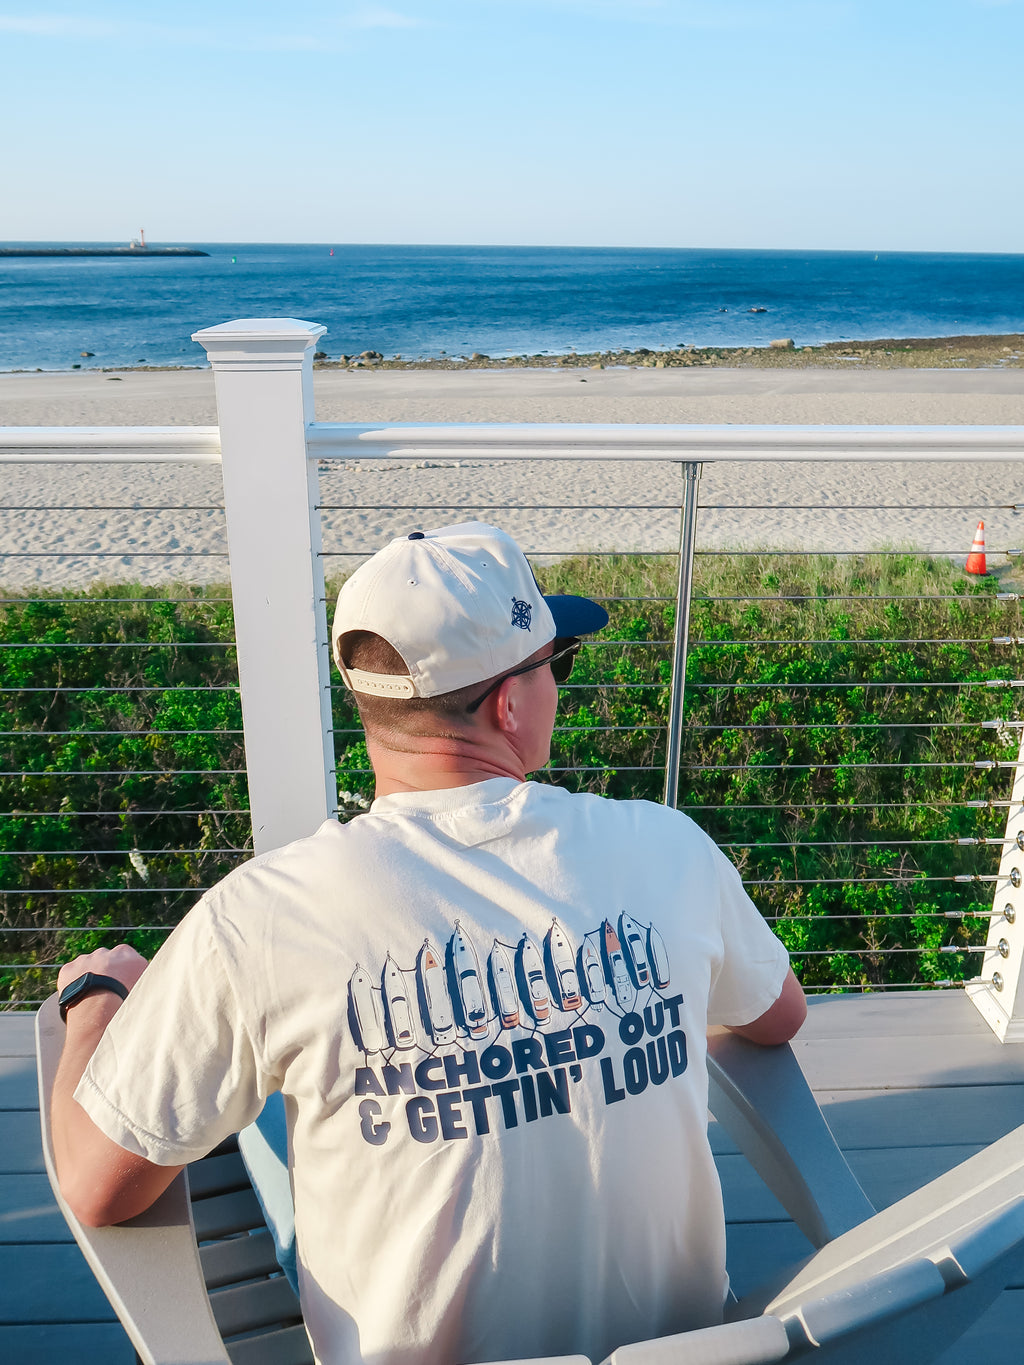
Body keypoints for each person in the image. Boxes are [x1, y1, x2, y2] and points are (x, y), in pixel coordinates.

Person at [52, 521, 806, 1365]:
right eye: (559, 663)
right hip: (686, 1353)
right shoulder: (666, 849)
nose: (559, 686)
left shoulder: (264, 921)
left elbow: (96, 1182)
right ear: (509, 703)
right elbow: (775, 1016)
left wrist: (94, 1002)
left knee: (280, 1115)